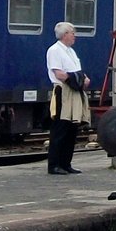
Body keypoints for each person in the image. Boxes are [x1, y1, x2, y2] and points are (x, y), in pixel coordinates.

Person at [45, 21, 90, 175]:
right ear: (65, 34)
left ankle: (66, 163)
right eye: (72, 32)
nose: (74, 36)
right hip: (63, 92)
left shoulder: (70, 51)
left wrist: (83, 79)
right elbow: (59, 74)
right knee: (60, 128)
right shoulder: (55, 50)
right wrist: (77, 81)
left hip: (75, 91)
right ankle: (54, 165)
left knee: (72, 129)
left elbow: (77, 71)